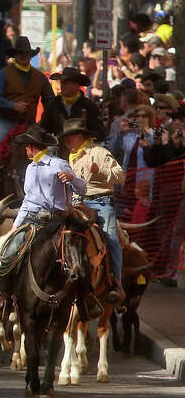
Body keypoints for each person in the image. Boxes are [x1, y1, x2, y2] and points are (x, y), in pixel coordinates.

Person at [0, 125, 97, 320]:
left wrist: (72, 178)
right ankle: (2, 298)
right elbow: (28, 201)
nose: (25, 150)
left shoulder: (58, 164)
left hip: (58, 219)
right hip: (32, 219)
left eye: (26, 147)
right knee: (10, 251)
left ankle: (86, 299)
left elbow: (82, 189)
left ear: (31, 147)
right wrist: (14, 227)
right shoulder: (29, 168)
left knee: (78, 255)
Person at [58, 119, 125, 305]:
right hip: (74, 204)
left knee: (111, 239)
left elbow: (120, 176)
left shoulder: (99, 152)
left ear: (79, 136)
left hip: (100, 203)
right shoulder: (68, 156)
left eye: (68, 138)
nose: (65, 142)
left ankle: (115, 283)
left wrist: (100, 170)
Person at [0, 37, 55, 184]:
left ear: (30, 55)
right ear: (15, 55)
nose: (23, 56)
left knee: (50, 154)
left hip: (30, 125)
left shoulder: (39, 77)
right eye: (20, 53)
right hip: (5, 122)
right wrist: (12, 105)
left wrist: (45, 123)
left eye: (26, 53)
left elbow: (50, 100)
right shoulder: (3, 74)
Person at [40, 67, 104, 143]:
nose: (63, 86)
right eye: (62, 82)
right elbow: (44, 129)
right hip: (59, 148)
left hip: (84, 149)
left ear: (76, 85)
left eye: (67, 83)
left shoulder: (89, 105)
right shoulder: (54, 105)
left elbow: (99, 133)